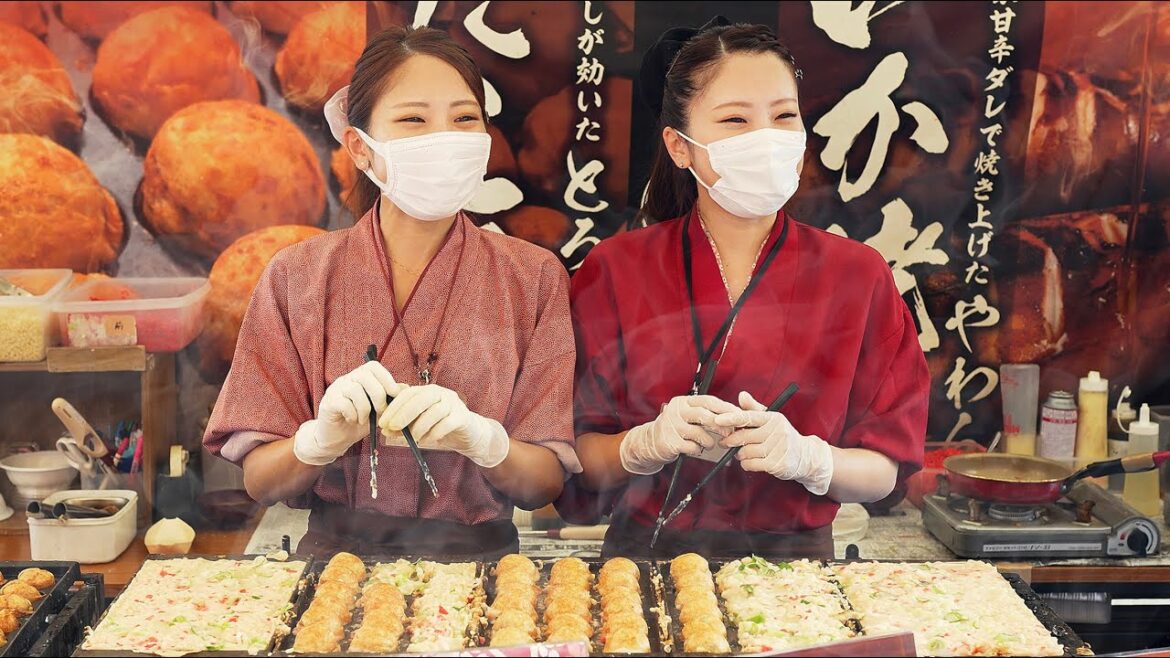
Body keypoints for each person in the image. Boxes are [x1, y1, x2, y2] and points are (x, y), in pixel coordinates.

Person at [557, 18, 929, 559]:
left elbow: (884, 472)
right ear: (679, 146)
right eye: (736, 119)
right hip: (641, 567)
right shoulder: (615, 269)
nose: (766, 137)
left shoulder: (859, 275)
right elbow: (575, 461)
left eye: (784, 116)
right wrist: (644, 445)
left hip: (797, 573)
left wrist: (808, 459)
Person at [203, 26, 579, 559]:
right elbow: (262, 482)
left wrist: (483, 440)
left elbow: (543, 483)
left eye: (464, 118)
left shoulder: (533, 276)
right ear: (360, 147)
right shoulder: (297, 276)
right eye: (413, 120)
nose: (444, 137)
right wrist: (320, 440)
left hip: (481, 571)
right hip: (334, 568)